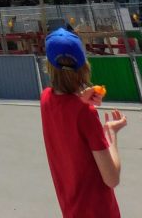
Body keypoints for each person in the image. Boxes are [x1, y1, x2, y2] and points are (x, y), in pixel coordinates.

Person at [40, 25, 127, 217]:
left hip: (72, 209)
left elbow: (65, 110)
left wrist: (81, 100)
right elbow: (111, 178)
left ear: (48, 66)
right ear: (84, 66)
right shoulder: (85, 113)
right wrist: (110, 132)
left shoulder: (45, 99)